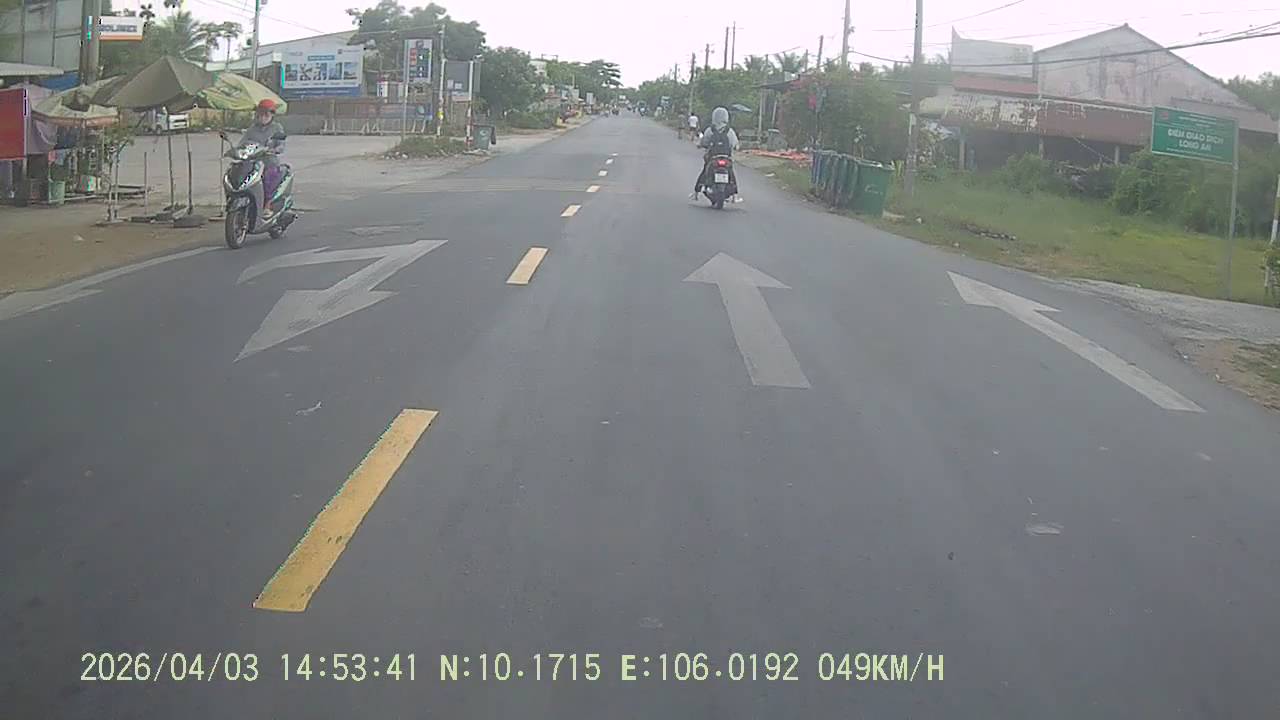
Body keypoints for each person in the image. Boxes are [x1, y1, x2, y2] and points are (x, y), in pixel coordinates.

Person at [238, 98, 287, 218]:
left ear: (272, 115)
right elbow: (243, 142)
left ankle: (267, 204)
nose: (263, 117)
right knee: (239, 174)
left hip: (269, 161)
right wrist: (239, 150)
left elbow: (281, 145)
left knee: (270, 178)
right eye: (261, 114)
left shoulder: (277, 128)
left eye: (266, 114)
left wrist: (274, 150)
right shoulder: (252, 129)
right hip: (253, 161)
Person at [691, 106, 739, 198]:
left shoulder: (710, 130)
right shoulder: (729, 131)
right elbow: (735, 144)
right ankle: (735, 195)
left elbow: (704, 142)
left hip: (713, 157)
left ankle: (696, 192)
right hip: (726, 157)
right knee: (731, 173)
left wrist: (700, 145)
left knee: (705, 172)